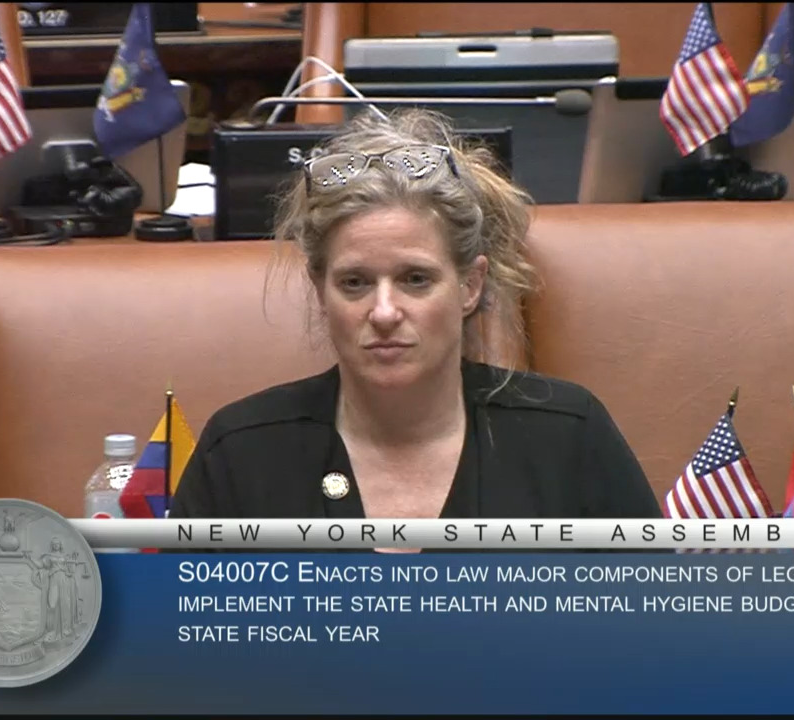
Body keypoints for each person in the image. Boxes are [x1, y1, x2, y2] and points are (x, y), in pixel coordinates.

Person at [169, 108, 660, 527]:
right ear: (320, 291)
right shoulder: (240, 452)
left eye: (416, 279)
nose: (384, 312)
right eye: (355, 283)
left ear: (470, 286)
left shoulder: (569, 436)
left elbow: (653, 606)